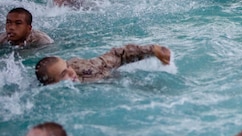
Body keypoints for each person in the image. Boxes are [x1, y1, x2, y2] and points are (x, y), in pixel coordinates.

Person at [35, 43, 171, 85]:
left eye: (67, 66)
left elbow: (116, 55)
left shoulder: (85, 69)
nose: (71, 72)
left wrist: (152, 50)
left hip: (116, 80)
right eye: (64, 74)